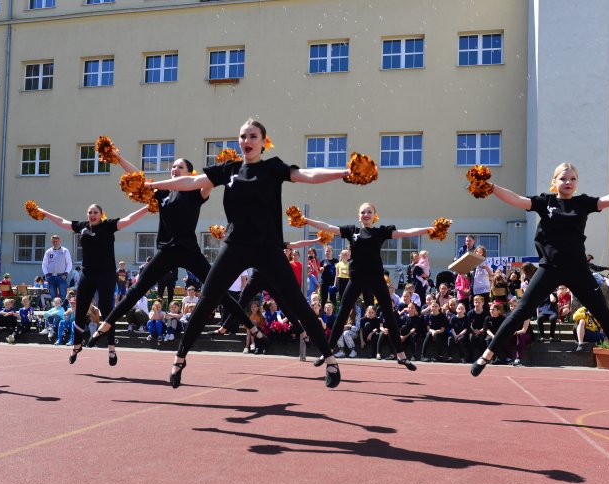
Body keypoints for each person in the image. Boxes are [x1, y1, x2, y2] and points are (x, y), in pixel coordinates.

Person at [145, 118, 351, 388]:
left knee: (297, 302)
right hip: (235, 245)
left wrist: (343, 172)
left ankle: (330, 360)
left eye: (253, 136)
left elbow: (307, 175)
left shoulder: (273, 167)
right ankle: (180, 358)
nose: (247, 141)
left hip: (268, 247)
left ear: (263, 142)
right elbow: (192, 181)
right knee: (207, 298)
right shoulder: (228, 169)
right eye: (243, 136)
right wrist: (154, 185)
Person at [470, 162, 609, 383]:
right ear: (554, 182)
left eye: (573, 179)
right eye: (563, 179)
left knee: (603, 314)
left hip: (578, 270)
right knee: (521, 312)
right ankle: (487, 355)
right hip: (549, 269)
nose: (568, 182)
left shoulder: (582, 203)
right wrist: (490, 186)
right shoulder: (545, 202)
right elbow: (517, 200)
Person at [86, 151, 256, 363]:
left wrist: (224, 165)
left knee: (218, 290)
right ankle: (105, 326)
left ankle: (251, 326)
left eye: (179, 167)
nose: (174, 169)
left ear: (189, 173)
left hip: (189, 251)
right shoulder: (162, 192)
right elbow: (138, 177)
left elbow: (211, 181)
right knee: (136, 289)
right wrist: (119, 158)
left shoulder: (195, 191)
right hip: (166, 250)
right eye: (173, 167)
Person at [304, 202, 431, 370]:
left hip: (376, 278)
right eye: (363, 212)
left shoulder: (380, 232)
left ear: (374, 215)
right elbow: (328, 226)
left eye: (369, 212)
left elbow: (405, 233)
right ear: (359, 216)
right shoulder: (352, 231)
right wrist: (306, 220)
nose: (366, 214)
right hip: (356, 278)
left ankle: (401, 355)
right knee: (342, 312)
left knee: (388, 313)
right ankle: (327, 352)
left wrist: (428, 230)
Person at [38, 198, 150, 364]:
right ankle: (76, 345)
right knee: (80, 308)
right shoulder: (83, 227)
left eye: (95, 212)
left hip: (106, 275)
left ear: (101, 214)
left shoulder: (108, 225)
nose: (92, 215)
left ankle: (111, 348)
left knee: (107, 310)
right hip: (87, 274)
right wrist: (44, 213)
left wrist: (148, 207)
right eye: (90, 212)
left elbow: (128, 219)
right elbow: (62, 222)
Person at [40, 234, 72, 303]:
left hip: (61, 276)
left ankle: (63, 311)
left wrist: (66, 273)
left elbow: (69, 263)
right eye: (53, 241)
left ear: (59, 241)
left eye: (56, 241)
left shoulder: (65, 251)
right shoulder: (48, 252)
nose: (55, 243)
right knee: (52, 295)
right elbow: (44, 264)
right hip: (51, 276)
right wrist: (46, 274)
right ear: (51, 242)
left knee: (63, 295)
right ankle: (54, 311)